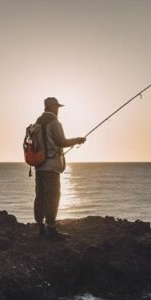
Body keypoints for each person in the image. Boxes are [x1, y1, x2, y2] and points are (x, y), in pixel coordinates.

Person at [34, 97, 86, 240]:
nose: (58, 109)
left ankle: (40, 227)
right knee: (53, 197)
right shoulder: (54, 122)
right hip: (51, 167)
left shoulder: (37, 123)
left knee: (40, 197)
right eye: (56, 107)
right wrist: (77, 140)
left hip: (39, 166)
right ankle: (51, 229)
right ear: (51, 107)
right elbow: (60, 142)